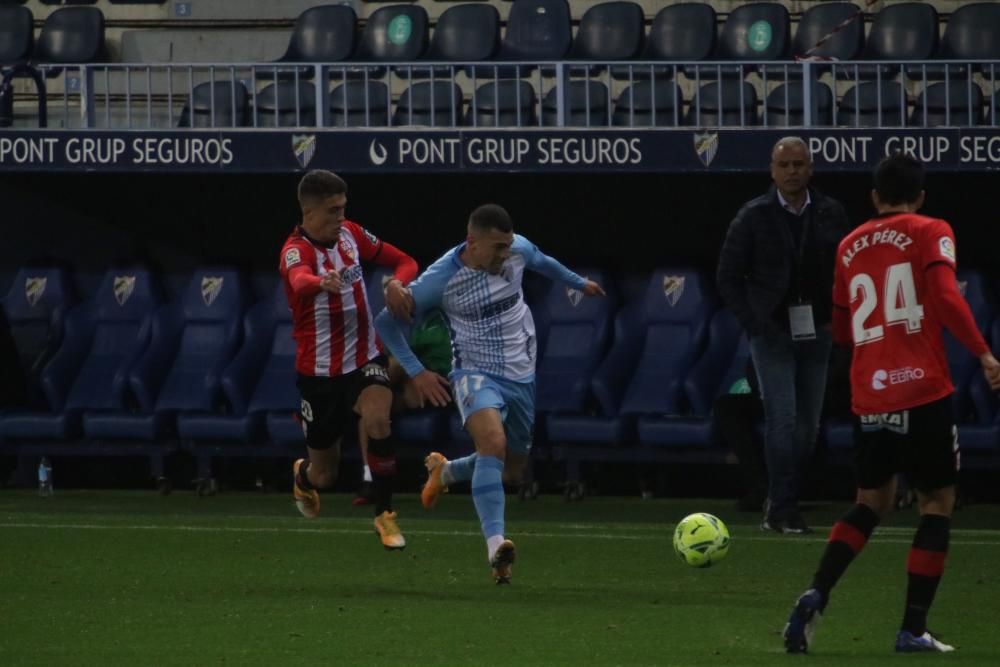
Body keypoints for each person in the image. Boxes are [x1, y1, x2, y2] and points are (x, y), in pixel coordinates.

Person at [783, 153, 1000, 654]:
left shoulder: (849, 244)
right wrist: (985, 354)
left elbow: (842, 329)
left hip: (870, 393)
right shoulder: (931, 229)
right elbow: (946, 296)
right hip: (923, 390)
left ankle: (818, 591)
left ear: (875, 197)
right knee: (937, 503)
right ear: (920, 197)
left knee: (870, 503)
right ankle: (913, 628)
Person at [374, 204, 604, 583]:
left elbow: (542, 260)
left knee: (512, 471)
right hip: (474, 372)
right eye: (496, 248)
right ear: (472, 243)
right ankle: (496, 546)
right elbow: (386, 324)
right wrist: (416, 373)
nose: (504, 255)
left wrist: (579, 283)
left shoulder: (517, 249)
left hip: (522, 373)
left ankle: (446, 472)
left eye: (507, 246)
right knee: (492, 442)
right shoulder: (441, 280)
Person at [717, 136, 850, 534]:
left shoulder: (830, 212)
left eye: (799, 164)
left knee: (808, 426)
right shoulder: (752, 216)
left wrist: (837, 319)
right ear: (772, 171)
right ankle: (782, 509)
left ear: (811, 168)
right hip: (772, 331)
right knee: (782, 418)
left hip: (818, 328)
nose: (792, 172)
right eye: (785, 165)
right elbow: (727, 277)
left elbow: (846, 268)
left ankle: (780, 497)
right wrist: (755, 323)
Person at [279, 169, 418, 549]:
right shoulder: (297, 250)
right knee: (325, 474)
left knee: (378, 419)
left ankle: (385, 515)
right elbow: (297, 280)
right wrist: (318, 282)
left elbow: (404, 260)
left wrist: (396, 283)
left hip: (364, 357)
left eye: (343, 208)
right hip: (319, 374)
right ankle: (303, 476)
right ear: (309, 213)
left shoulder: (353, 235)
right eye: (332, 210)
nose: (341, 217)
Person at [352, 308, 453, 506]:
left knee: (390, 372)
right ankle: (370, 477)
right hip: (416, 378)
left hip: (446, 383)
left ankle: (342, 402)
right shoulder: (427, 316)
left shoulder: (466, 316)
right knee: (372, 407)